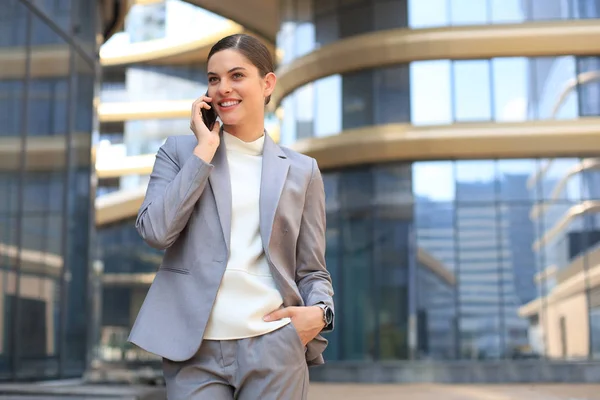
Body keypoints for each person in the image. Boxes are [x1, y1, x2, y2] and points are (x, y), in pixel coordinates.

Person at [128, 33, 335, 400]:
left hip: (275, 343)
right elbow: (156, 232)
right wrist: (204, 150)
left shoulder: (303, 171)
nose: (223, 88)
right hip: (193, 348)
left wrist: (321, 313)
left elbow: (312, 269)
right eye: (213, 79)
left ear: (266, 82)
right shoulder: (179, 152)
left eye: (236, 76)